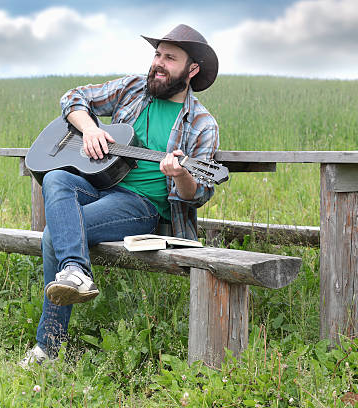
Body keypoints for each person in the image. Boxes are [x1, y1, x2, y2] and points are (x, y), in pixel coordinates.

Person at [20, 24, 220, 368]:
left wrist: (182, 173)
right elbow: (73, 99)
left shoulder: (202, 124)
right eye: (157, 54)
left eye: (170, 58)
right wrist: (91, 128)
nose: (158, 62)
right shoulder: (133, 88)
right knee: (55, 177)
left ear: (192, 69)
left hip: (141, 206)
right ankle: (76, 271)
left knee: (56, 233)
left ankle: (48, 349)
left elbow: (196, 194)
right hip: (100, 186)